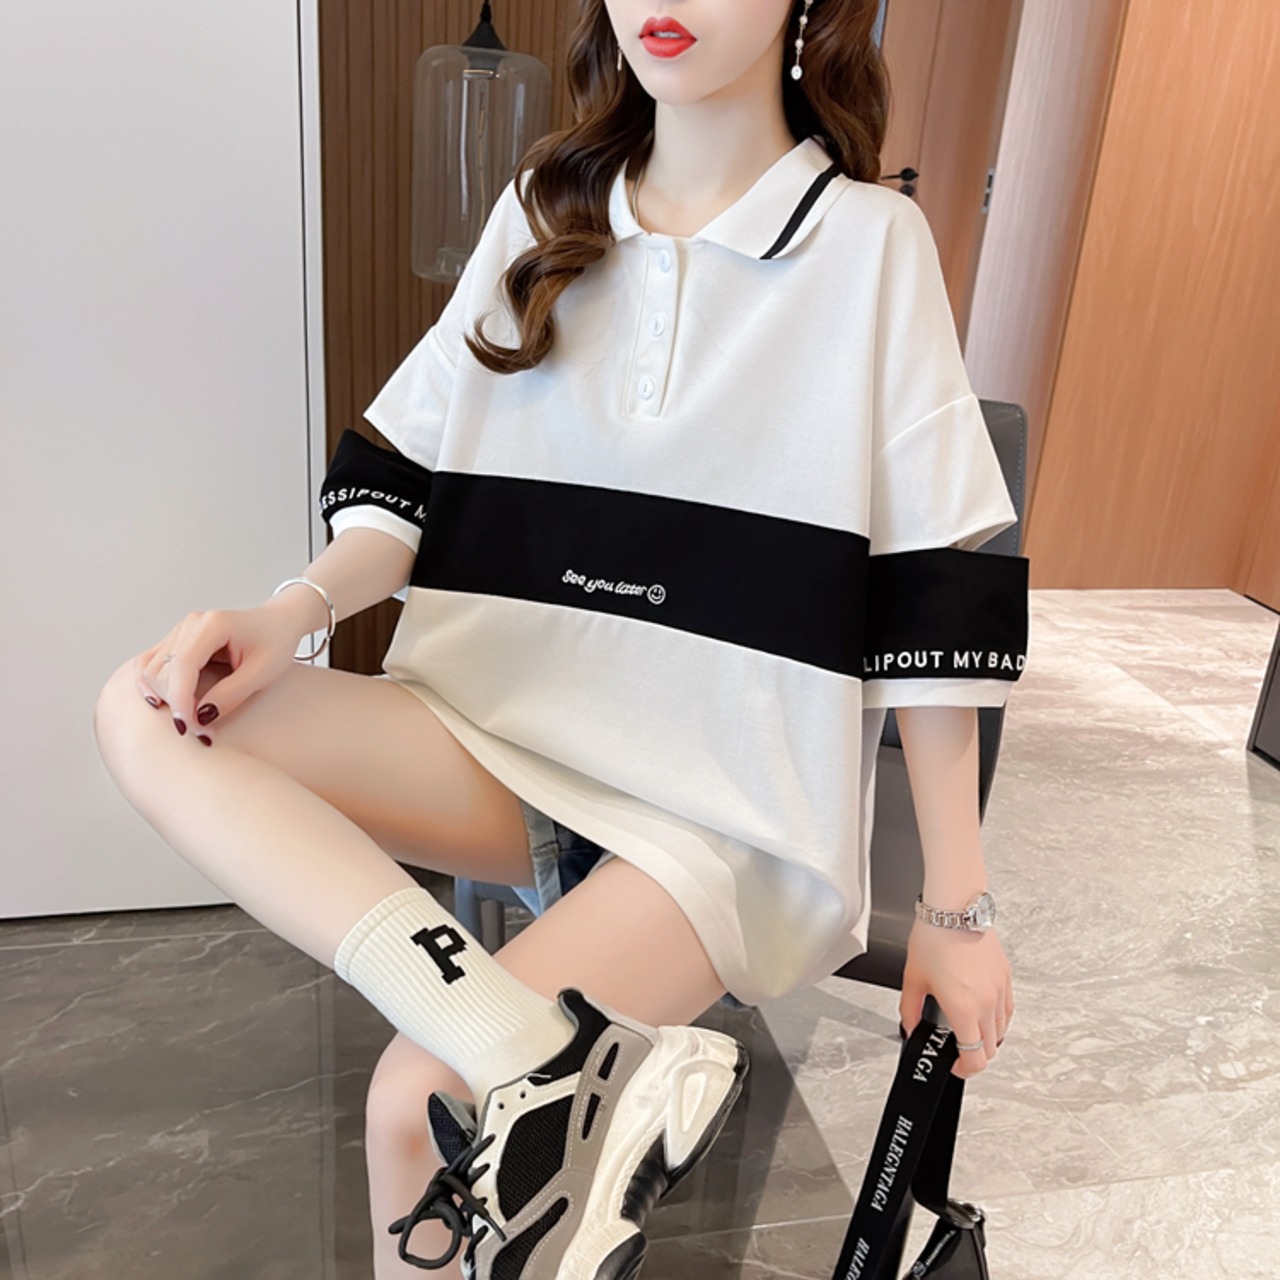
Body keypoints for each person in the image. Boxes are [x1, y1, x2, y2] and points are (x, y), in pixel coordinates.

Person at [93, 1, 1027, 1277]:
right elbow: (408, 477)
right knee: (154, 704)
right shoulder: (546, 207)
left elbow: (929, 588)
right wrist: (288, 612)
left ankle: (513, 1061)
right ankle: (528, 1050)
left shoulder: (869, 244)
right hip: (496, 731)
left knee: (415, 1102)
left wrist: (956, 909)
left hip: (720, 808)